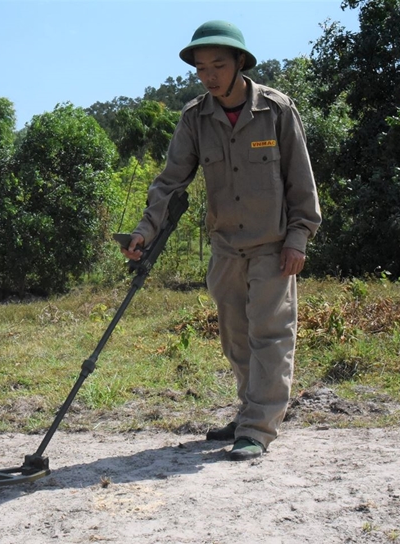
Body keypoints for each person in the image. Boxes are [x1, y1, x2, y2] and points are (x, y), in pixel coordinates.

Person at [121, 20, 321, 461]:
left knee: (270, 335)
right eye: (201, 67)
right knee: (236, 336)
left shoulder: (276, 109)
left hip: (272, 245)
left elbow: (300, 180)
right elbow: (170, 183)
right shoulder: (195, 118)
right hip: (226, 247)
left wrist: (299, 236)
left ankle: (257, 428)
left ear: (239, 64)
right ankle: (248, 410)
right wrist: (144, 232)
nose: (209, 75)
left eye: (218, 65)